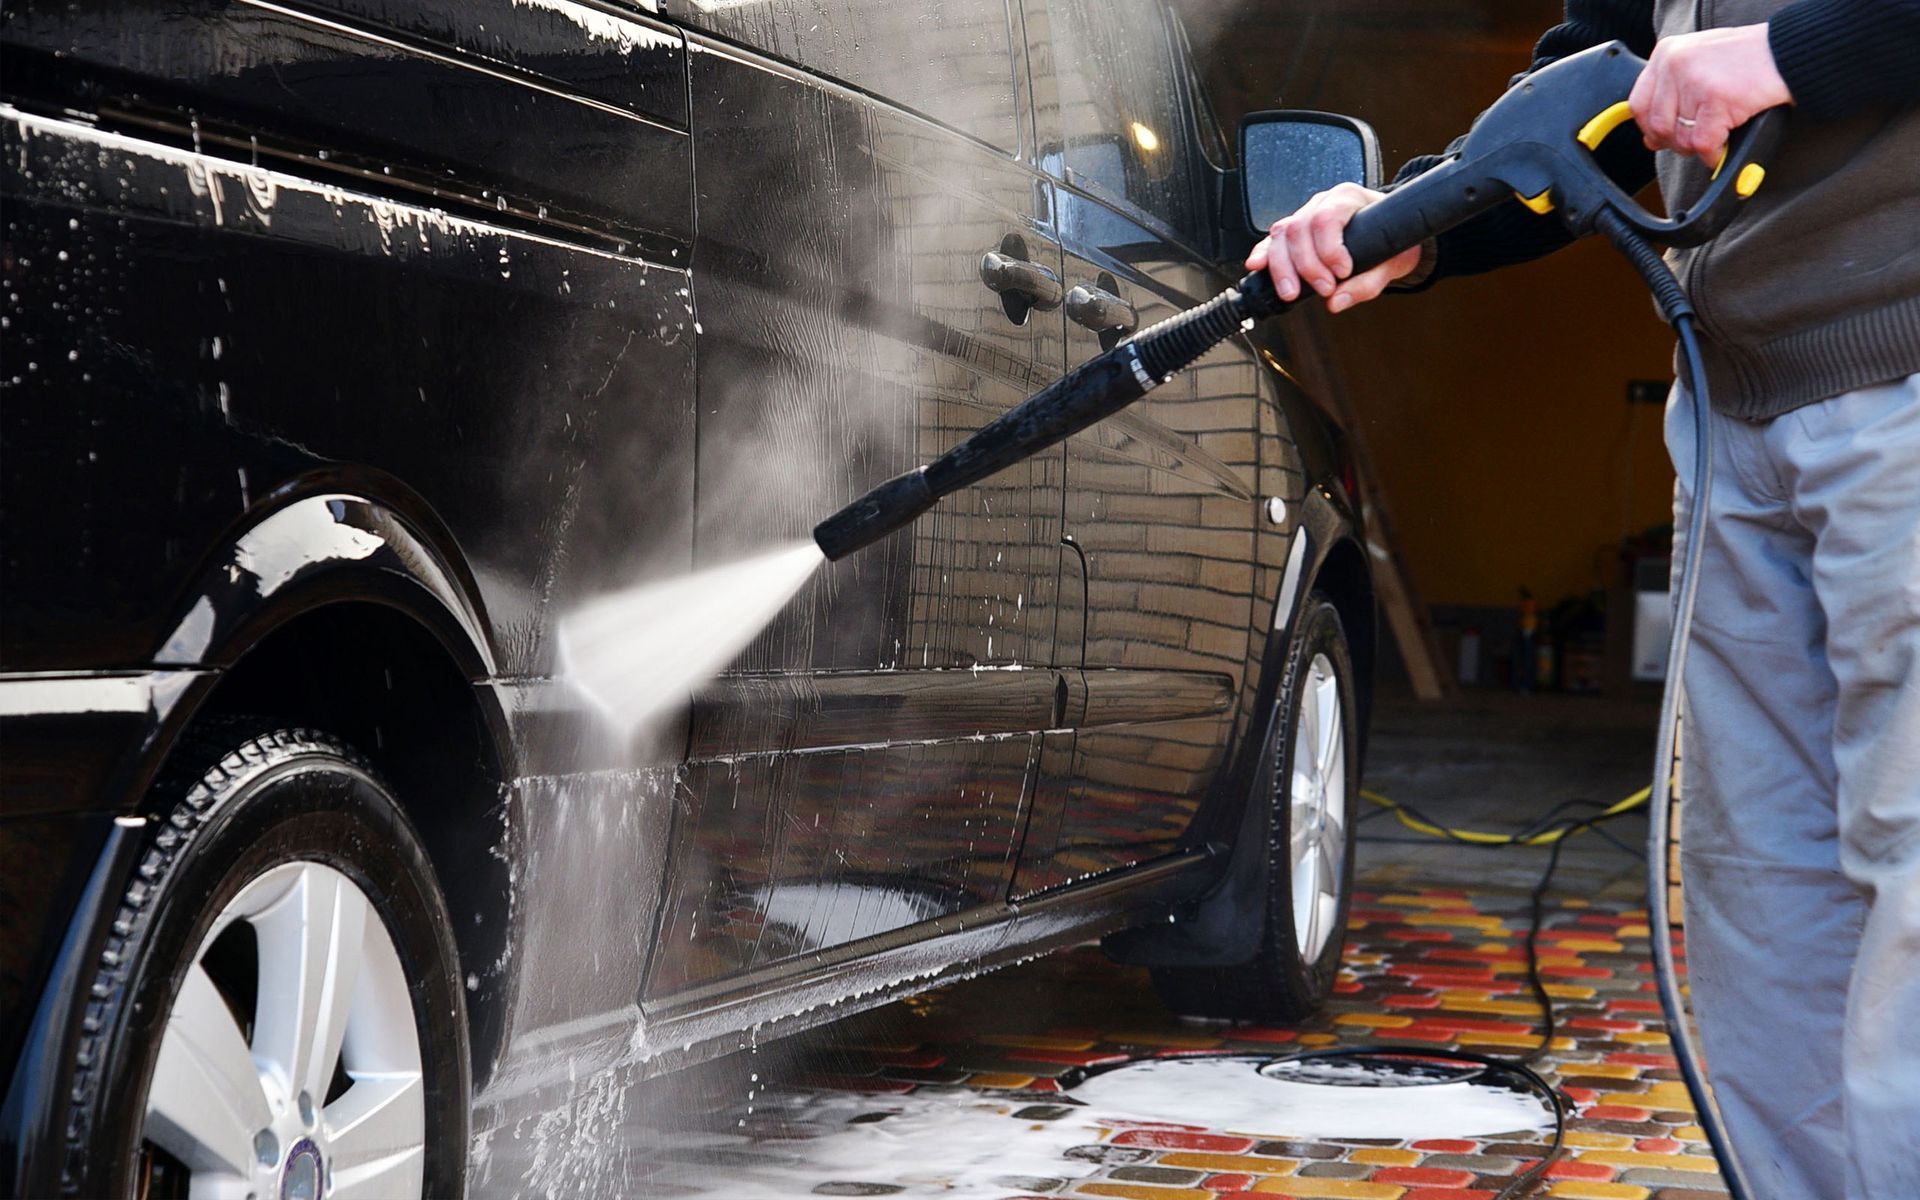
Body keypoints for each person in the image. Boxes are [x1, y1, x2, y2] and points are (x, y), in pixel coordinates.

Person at [1248, 4, 1920, 1197]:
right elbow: (1601, 91)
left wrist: (1782, 55)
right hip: (1737, 402)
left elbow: (1720, 70)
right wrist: (1419, 218)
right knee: (1757, 885)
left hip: (1903, 367)